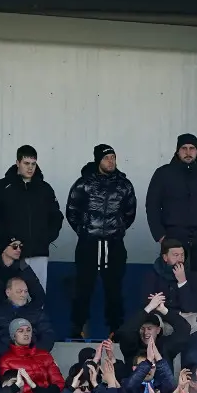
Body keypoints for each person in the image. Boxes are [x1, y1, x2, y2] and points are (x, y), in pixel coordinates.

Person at [146, 133, 197, 307]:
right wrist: (161, 237)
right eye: (184, 148)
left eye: (192, 148)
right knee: (170, 282)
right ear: (177, 151)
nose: (188, 152)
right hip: (174, 237)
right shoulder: (163, 174)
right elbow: (151, 206)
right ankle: (172, 323)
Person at [66, 143, 137, 339]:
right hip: (88, 243)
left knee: (114, 288)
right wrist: (85, 230)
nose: (111, 161)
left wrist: (117, 229)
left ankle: (116, 329)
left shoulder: (124, 184)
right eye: (107, 158)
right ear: (99, 160)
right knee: (83, 287)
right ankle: (77, 328)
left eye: (113, 157)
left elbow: (130, 212)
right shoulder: (84, 183)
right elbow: (72, 211)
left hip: (114, 244)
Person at [0, 145, 63, 289]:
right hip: (11, 252)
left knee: (38, 295)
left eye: (33, 164)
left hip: (39, 252)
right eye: (26, 163)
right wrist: (8, 239)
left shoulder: (45, 188)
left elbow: (56, 216)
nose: (30, 168)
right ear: (17, 163)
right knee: (12, 295)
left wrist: (47, 238)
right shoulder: (2, 186)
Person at [0, 319, 65, 393]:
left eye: (28, 330)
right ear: (13, 336)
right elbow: (10, 391)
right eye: (20, 331)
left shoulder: (45, 355)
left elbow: (59, 382)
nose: (26, 334)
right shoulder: (5, 360)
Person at [0, 277, 57, 356]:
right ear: (8, 292)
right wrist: (9, 354)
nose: (23, 294)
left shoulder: (37, 312)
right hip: (3, 358)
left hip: (33, 358)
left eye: (26, 291)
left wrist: (31, 353)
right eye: (19, 291)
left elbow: (48, 335)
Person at [117, 293, 190, 367]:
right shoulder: (132, 347)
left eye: (149, 328)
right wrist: (149, 308)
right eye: (142, 328)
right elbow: (124, 332)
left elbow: (184, 329)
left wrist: (163, 310)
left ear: (158, 330)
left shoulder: (165, 346)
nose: (145, 332)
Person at [144, 238, 197, 316]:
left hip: (184, 318)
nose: (180, 259)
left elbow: (190, 308)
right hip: (160, 317)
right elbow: (148, 305)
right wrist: (172, 313)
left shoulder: (193, 276)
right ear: (165, 257)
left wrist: (182, 282)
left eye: (182, 255)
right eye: (176, 255)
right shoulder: (152, 275)